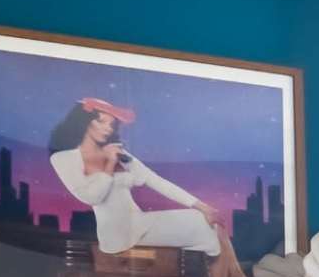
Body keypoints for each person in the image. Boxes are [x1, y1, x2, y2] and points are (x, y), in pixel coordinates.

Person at [46, 99, 223, 258]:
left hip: (139, 223)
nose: (108, 128)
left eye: (112, 124)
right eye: (101, 121)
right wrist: (109, 164)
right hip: (116, 235)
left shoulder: (120, 153)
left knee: (206, 218)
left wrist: (203, 206)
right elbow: (92, 197)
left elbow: (157, 182)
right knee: (207, 228)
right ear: (83, 122)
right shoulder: (63, 158)